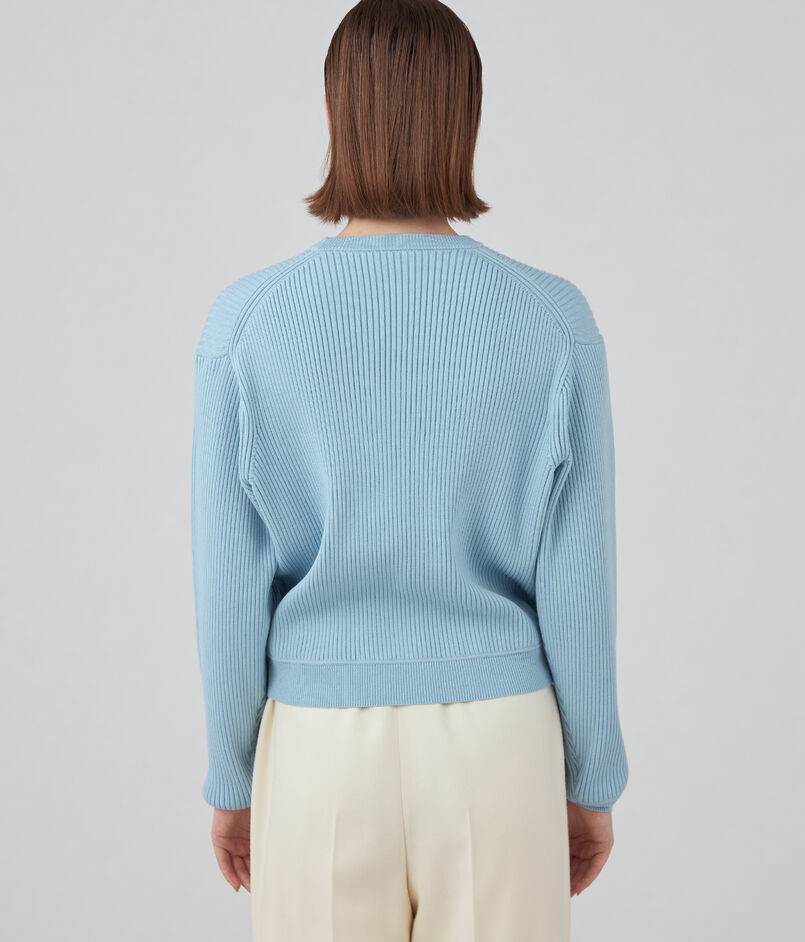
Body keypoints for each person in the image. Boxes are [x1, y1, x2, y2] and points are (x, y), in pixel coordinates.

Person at [190, 0, 629, 938]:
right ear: (467, 115)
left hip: (316, 750)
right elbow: (578, 575)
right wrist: (591, 779)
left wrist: (232, 778)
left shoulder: (247, 322)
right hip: (500, 743)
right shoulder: (552, 319)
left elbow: (228, 580)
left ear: (331, 112)